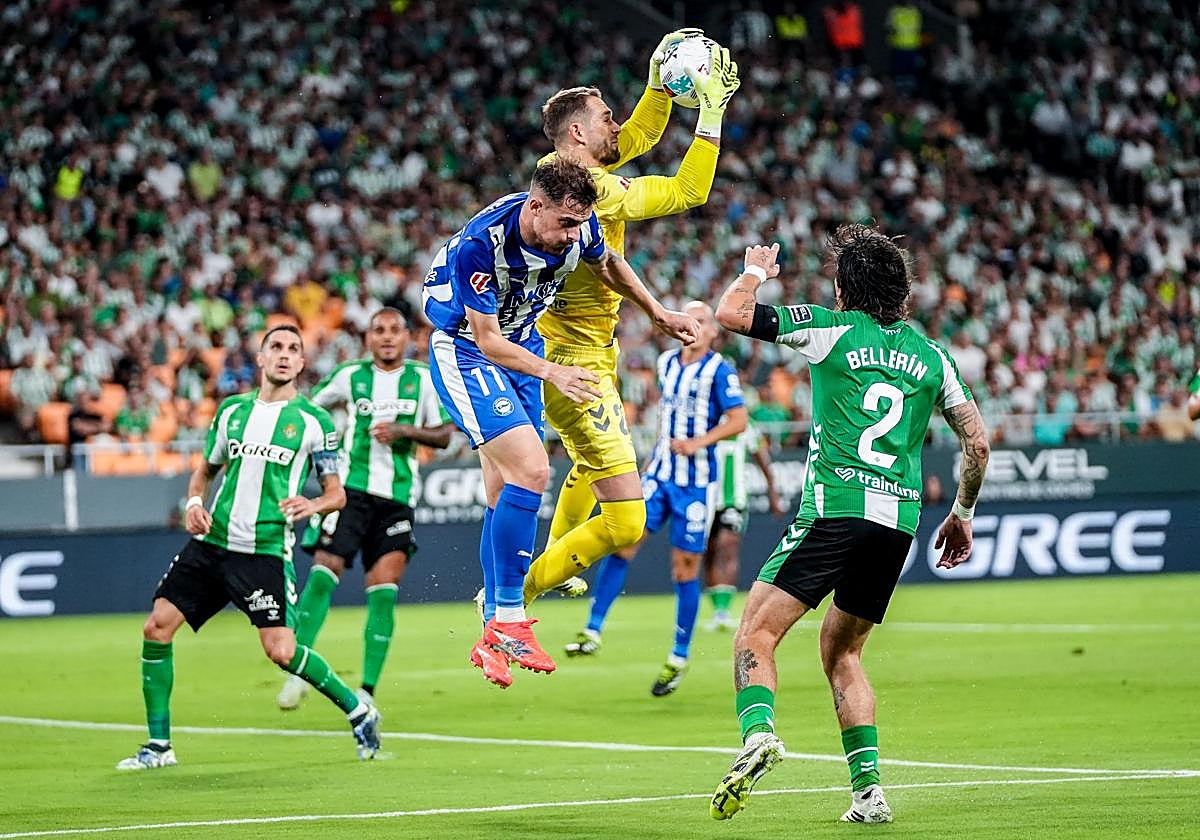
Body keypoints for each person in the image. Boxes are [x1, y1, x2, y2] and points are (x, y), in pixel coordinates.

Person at [707, 230, 990, 823]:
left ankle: (758, 735)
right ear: (902, 293)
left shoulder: (831, 328)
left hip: (835, 509)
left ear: (843, 289)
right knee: (844, 654)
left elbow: (730, 313)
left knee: (755, 634)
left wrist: (756, 272)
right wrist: (962, 515)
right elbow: (978, 443)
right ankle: (868, 794)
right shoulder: (934, 357)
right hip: (897, 525)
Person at [421, 158, 698, 689]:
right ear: (535, 207)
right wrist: (555, 372)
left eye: (580, 223)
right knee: (532, 470)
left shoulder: (580, 224)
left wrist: (657, 311)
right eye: (566, 224)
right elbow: (486, 340)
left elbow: (608, 262)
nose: (574, 233)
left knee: (502, 491)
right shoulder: (484, 244)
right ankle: (509, 616)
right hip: (468, 350)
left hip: (522, 342)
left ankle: (492, 628)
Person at [521, 30, 741, 610]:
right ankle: (514, 593)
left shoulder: (558, 169)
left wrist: (658, 84)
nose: (616, 124)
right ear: (578, 133)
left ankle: (553, 558)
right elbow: (689, 191)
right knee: (625, 516)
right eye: (605, 117)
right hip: (575, 360)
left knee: (585, 467)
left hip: (579, 346)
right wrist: (711, 112)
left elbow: (637, 137)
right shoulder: (593, 190)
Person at [117, 325, 381, 771]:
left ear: (301, 363)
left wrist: (312, 504)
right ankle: (159, 746)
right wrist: (195, 503)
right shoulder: (232, 411)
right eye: (276, 347)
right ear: (260, 358)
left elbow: (336, 493)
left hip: (264, 551)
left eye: (293, 349)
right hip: (212, 544)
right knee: (156, 628)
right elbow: (205, 471)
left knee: (282, 651)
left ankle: (358, 710)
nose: (284, 354)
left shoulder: (314, 422)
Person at [564, 302, 748, 697]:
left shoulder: (720, 371)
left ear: (713, 332)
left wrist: (699, 442)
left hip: (695, 483)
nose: (694, 326)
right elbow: (666, 419)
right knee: (624, 541)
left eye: (702, 321)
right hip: (659, 474)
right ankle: (593, 629)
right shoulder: (666, 363)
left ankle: (678, 656)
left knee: (684, 569)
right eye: (689, 318)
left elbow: (739, 420)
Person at [276, 308, 453, 711]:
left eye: (394, 330)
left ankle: (367, 692)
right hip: (348, 492)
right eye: (379, 330)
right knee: (324, 572)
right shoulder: (349, 375)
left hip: (397, 500)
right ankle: (297, 669)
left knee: (383, 592)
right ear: (368, 338)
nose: (387, 337)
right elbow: (308, 410)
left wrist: (403, 430)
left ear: (407, 337)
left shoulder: (424, 379)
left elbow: (445, 435)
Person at [703, 419, 784, 631]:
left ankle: (723, 612)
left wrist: (773, 493)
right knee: (709, 552)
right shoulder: (707, 418)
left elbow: (762, 459)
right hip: (706, 499)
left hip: (734, 500)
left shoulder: (746, 425)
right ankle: (717, 609)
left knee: (727, 547)